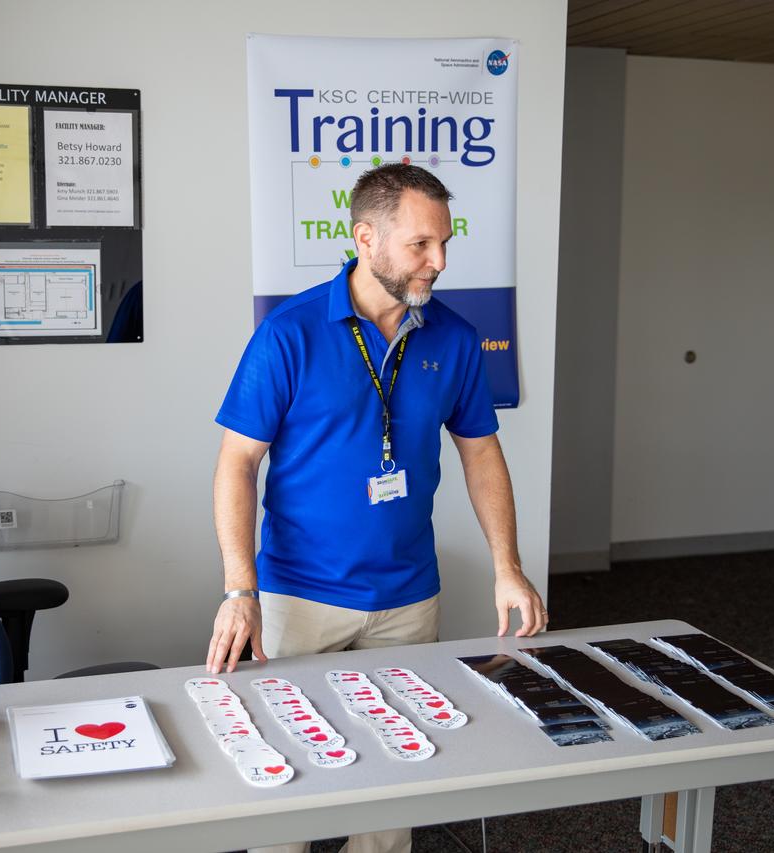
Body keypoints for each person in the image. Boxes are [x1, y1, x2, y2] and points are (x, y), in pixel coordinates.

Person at [207, 164, 546, 853]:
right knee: (282, 782)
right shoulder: (290, 333)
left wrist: (507, 564)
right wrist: (239, 587)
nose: (440, 261)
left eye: (445, 243)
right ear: (365, 237)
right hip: (297, 598)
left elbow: (480, 454)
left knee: (395, 784)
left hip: (406, 598)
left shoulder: (453, 337)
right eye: (421, 244)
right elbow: (237, 462)